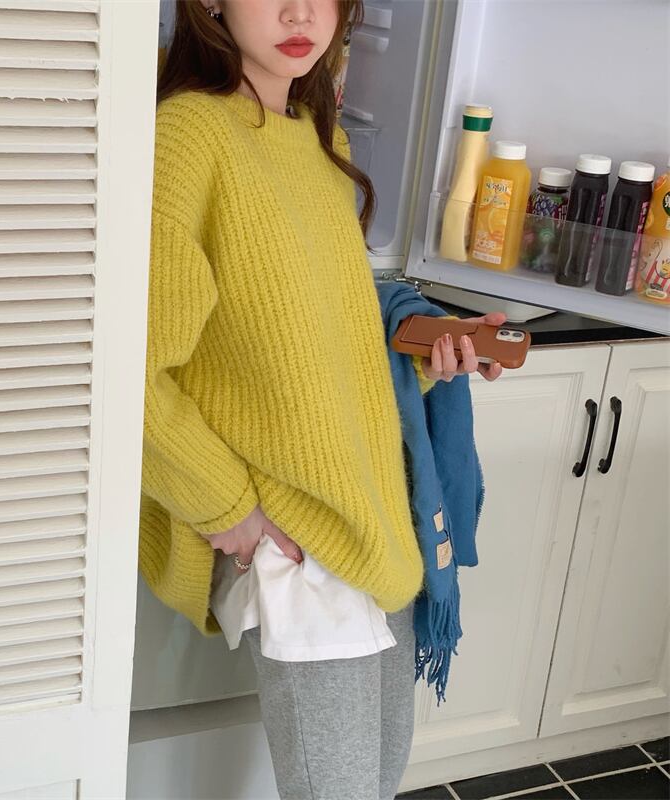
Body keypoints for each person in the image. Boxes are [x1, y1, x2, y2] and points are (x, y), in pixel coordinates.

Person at [140, 2, 506, 797]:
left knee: (380, 776)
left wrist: (428, 353)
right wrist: (231, 510)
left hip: (374, 515)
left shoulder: (319, 139)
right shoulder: (186, 137)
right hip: (295, 533)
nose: (301, 13)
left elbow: (327, 338)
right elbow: (131, 371)